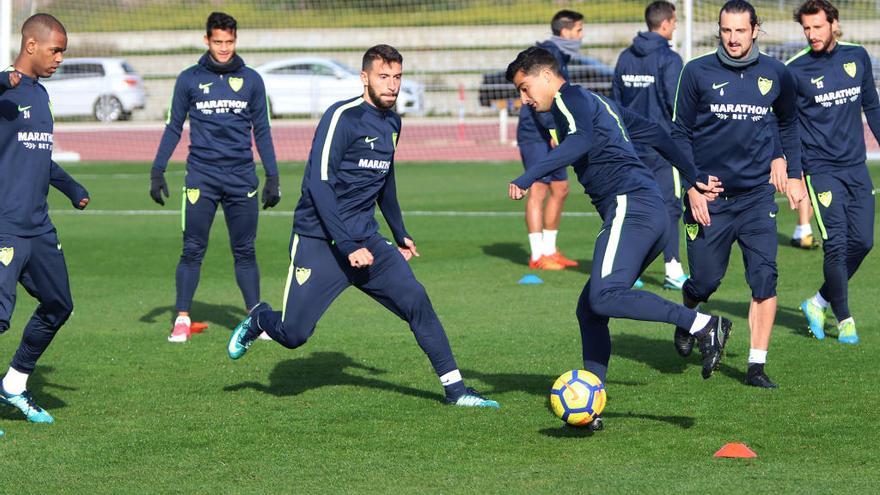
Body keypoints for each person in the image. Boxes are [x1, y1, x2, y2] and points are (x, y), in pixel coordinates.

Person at [226, 45, 499, 409]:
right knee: (293, 335)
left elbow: (384, 178)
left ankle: (456, 391)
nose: (391, 85)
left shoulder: (393, 123)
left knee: (417, 301)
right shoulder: (342, 117)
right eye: (383, 77)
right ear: (364, 78)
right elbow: (317, 184)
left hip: (367, 240)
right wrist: (345, 242)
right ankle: (260, 318)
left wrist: (399, 230)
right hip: (320, 239)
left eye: (397, 77)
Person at [506, 46, 730, 430]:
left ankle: (701, 324)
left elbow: (580, 143)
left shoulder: (568, 99)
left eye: (525, 88)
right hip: (650, 212)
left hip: (632, 206)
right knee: (591, 310)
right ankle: (590, 408)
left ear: (545, 76)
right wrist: (692, 174)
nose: (524, 99)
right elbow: (656, 133)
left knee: (604, 295)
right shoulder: (596, 102)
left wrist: (528, 177)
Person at [670, 0, 807, 388]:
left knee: (765, 279)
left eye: (740, 31)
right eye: (726, 30)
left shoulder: (777, 73)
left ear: (755, 30)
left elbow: (788, 122)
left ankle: (756, 366)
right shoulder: (695, 71)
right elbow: (678, 134)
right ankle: (689, 312)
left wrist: (788, 168)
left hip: (757, 197)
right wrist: (691, 185)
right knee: (705, 282)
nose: (732, 39)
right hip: (709, 197)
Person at [150, 12, 280, 343]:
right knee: (193, 249)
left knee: (246, 250)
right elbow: (173, 126)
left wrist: (273, 176)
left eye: (229, 41)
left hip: (242, 178)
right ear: (206, 40)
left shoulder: (252, 80)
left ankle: (254, 317)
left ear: (236, 40)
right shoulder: (188, 79)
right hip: (201, 177)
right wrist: (158, 168)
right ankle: (181, 318)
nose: (224, 48)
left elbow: (262, 130)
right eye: (218, 41)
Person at [0, 13, 90, 425]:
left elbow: (38, 155)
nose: (59, 59)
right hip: (5, 226)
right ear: (31, 46)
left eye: (63, 53)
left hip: (39, 228)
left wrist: (72, 188)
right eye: (55, 50)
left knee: (58, 305)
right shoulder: (6, 90)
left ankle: (14, 384)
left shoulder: (39, 95)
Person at [788, 0, 878, 344]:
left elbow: (872, 106)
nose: (811, 34)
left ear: (834, 24)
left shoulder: (857, 57)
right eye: (806, 28)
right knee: (836, 244)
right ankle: (844, 319)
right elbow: (789, 128)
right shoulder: (794, 70)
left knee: (864, 242)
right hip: (820, 170)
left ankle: (818, 301)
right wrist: (794, 173)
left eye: (817, 27)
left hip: (856, 166)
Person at [613, 0, 689, 290]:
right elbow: (676, 104)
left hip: (631, 146)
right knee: (670, 208)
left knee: (634, 207)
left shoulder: (624, 57)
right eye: (675, 21)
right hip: (661, 147)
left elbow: (616, 100)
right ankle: (672, 270)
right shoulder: (669, 60)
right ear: (667, 23)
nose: (676, 26)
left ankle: (627, 271)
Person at [516, 10, 584, 270]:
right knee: (539, 189)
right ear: (565, 32)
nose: (581, 36)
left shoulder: (561, 56)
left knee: (561, 188)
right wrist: (554, 131)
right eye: (578, 30)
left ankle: (550, 249)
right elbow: (538, 100)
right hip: (535, 133)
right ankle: (536, 255)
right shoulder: (545, 56)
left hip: (552, 130)